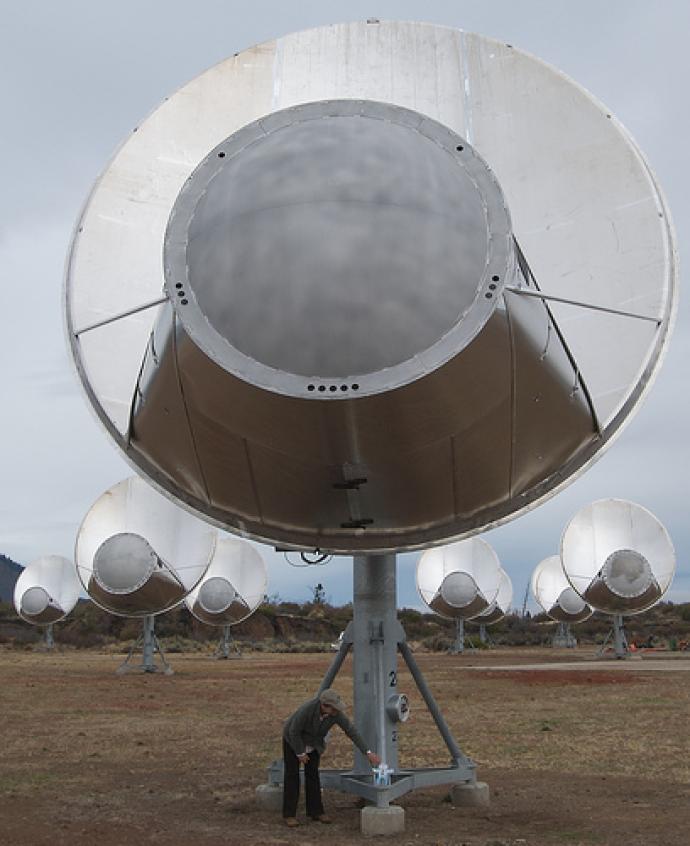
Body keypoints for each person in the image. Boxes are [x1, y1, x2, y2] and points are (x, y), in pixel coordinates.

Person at [282, 688, 381, 827]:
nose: (336, 711)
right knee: (292, 776)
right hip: (293, 741)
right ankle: (289, 814)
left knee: (313, 775)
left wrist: (368, 752)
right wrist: (300, 753)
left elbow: (351, 731)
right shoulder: (307, 710)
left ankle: (316, 811)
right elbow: (293, 731)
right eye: (333, 708)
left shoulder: (336, 714)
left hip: (314, 743)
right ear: (324, 705)